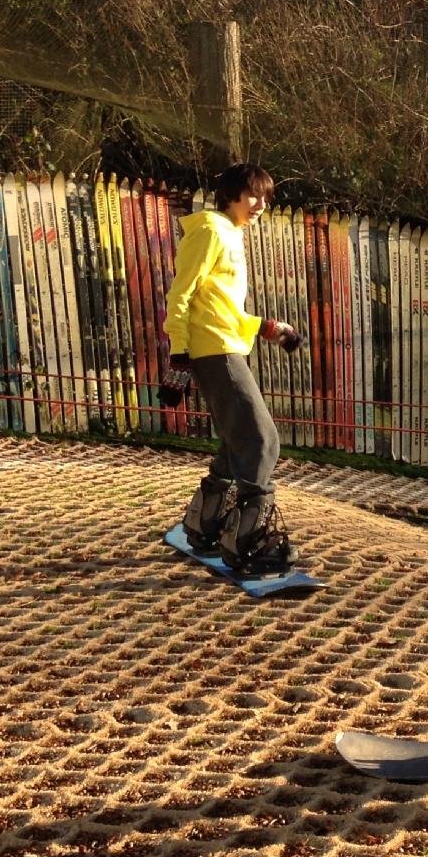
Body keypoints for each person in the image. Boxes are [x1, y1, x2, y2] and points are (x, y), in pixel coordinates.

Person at [161, 163, 302, 574]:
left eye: (265, 197)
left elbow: (221, 308)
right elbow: (181, 294)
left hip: (224, 346)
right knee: (262, 440)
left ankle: (203, 524)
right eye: (252, 195)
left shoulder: (229, 234)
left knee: (237, 441)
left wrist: (267, 327)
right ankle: (248, 541)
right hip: (214, 352)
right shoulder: (209, 229)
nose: (260, 204)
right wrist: (179, 355)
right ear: (231, 195)